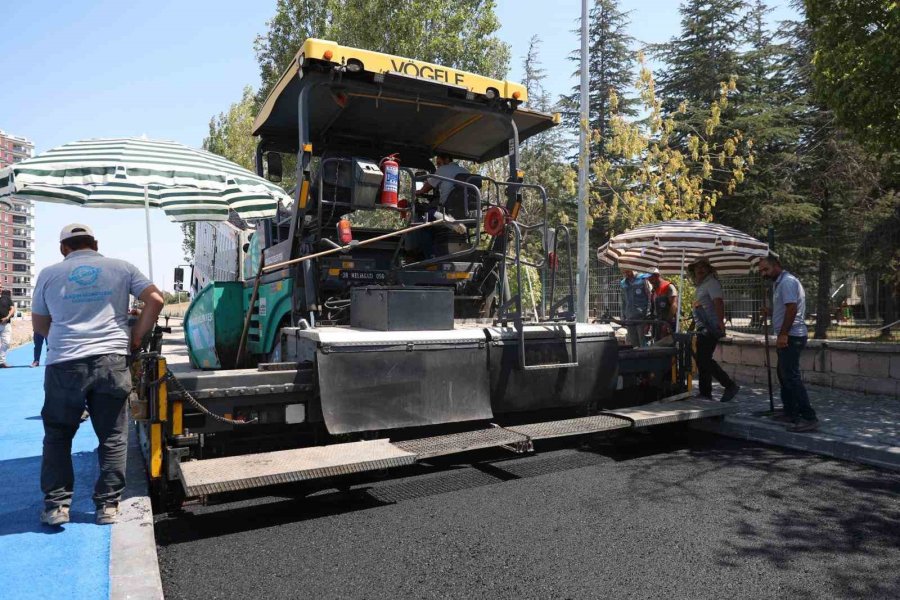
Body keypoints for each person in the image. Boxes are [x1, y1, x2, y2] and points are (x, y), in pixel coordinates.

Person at [32, 224, 164, 527]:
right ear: (95, 244)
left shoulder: (50, 274)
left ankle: (57, 507)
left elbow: (40, 324)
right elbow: (155, 299)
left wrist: (64, 340)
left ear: (64, 248)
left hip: (64, 364)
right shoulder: (122, 267)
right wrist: (136, 337)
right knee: (113, 437)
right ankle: (107, 506)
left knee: (57, 436)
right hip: (112, 361)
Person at [758, 253, 818, 432]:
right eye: (761, 271)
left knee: (791, 376)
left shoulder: (787, 282)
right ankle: (790, 411)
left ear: (777, 264)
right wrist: (770, 311)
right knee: (783, 374)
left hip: (792, 336)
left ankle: (809, 417)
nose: (763, 274)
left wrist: (783, 334)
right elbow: (785, 308)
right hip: (787, 335)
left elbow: (792, 309)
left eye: (766, 269)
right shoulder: (779, 283)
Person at [689, 258, 740, 402]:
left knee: (704, 359)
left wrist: (720, 322)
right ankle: (705, 393)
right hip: (702, 327)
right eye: (697, 267)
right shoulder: (701, 285)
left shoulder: (711, 283)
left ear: (709, 269)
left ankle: (729, 385)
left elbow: (718, 302)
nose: (700, 270)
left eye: (703, 267)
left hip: (710, 327)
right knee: (701, 360)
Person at [619, 268, 651, 347]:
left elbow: (650, 297)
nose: (625, 273)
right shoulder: (623, 283)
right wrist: (623, 317)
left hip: (642, 317)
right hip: (629, 317)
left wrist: (648, 315)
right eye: (623, 271)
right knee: (633, 344)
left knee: (643, 342)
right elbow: (623, 301)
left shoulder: (643, 279)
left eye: (627, 270)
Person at [648, 267, 678, 340]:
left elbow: (674, 306)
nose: (650, 280)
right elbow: (653, 309)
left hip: (668, 323)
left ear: (657, 276)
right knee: (657, 345)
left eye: (651, 277)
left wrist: (667, 324)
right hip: (658, 322)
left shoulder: (669, 287)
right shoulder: (654, 290)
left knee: (667, 346)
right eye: (648, 278)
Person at [0, 284, 13, 368]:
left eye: (0, 287)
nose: (0, 288)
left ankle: (2, 361)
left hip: (6, 324)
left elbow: (12, 309)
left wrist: (7, 317)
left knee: (7, 343)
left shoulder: (6, 298)